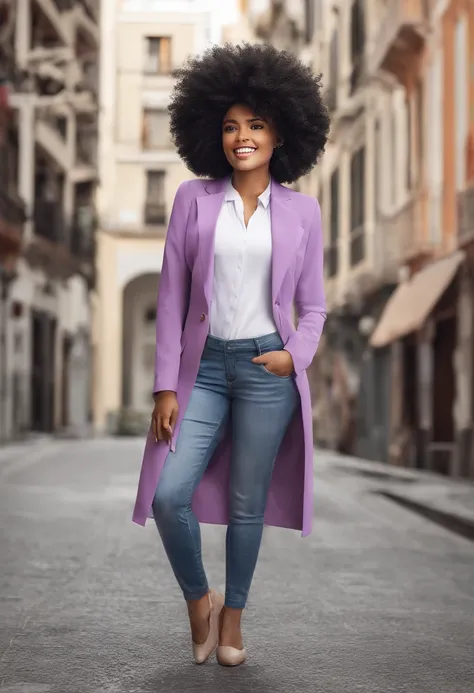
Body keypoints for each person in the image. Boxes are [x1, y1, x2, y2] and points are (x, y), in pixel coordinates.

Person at [132, 42, 329, 667]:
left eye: (256, 125)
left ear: (282, 133)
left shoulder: (303, 213)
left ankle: (235, 616)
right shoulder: (192, 199)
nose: (242, 137)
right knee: (170, 494)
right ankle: (201, 601)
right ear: (212, 133)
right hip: (204, 369)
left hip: (266, 368)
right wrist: (166, 385)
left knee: (248, 505)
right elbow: (170, 295)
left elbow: (315, 307)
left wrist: (294, 357)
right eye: (230, 126)